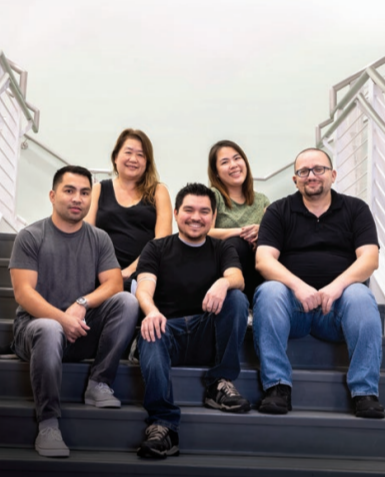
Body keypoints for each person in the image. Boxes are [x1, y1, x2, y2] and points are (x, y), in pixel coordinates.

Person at [9, 166, 139, 458]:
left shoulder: (99, 238)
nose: (77, 198)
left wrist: (81, 304)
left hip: (79, 329)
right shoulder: (30, 236)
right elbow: (23, 293)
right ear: (53, 196)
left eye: (84, 192)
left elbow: (115, 283)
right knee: (50, 328)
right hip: (35, 330)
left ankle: (99, 383)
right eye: (69, 191)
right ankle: (48, 423)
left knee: (128, 302)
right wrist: (61, 318)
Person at [253, 148, 384, 419]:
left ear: (333, 175)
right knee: (269, 290)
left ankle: (364, 392)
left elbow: (370, 259)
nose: (311, 176)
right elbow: (264, 261)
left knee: (360, 294)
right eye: (303, 171)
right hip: (292, 310)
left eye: (319, 169)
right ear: (295, 179)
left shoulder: (355, 209)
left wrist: (336, 287)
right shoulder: (278, 211)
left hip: (337, 310)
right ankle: (277, 386)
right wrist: (299, 287)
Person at [135, 183, 250, 459]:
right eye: (188, 210)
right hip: (166, 331)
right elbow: (143, 288)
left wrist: (224, 282)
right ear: (176, 213)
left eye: (204, 211)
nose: (196, 217)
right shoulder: (157, 248)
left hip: (205, 333)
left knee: (236, 298)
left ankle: (218, 383)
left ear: (212, 217)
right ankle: (163, 424)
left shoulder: (222, 248)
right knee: (149, 330)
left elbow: (238, 278)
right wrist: (151, 311)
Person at [85, 128, 172, 293]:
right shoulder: (98, 189)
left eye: (140, 155)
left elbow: (162, 241)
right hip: (102, 272)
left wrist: (130, 270)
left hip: (145, 273)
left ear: (147, 162)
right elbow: (87, 236)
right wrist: (109, 273)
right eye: (128, 152)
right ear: (116, 157)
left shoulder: (159, 191)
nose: (134, 159)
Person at [208, 140, 269, 303]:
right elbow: (206, 231)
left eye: (237, 158)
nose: (233, 165)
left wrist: (260, 231)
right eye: (225, 162)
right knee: (237, 244)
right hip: (225, 266)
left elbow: (274, 232)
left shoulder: (261, 200)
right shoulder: (213, 195)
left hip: (256, 266)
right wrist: (243, 232)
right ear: (216, 173)